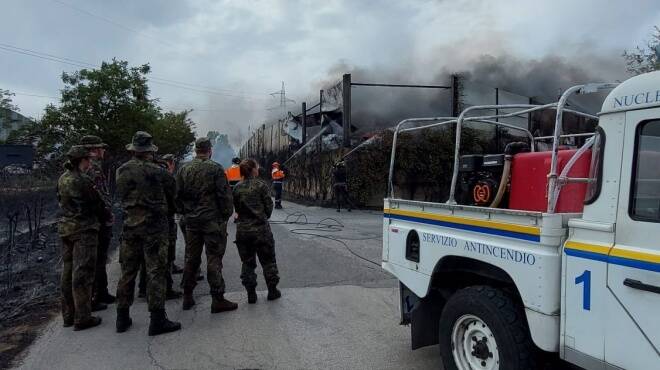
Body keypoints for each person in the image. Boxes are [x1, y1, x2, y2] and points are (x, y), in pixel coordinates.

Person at [115, 131, 181, 336]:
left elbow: (122, 195)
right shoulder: (159, 172)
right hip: (155, 228)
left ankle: (122, 317)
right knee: (155, 272)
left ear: (134, 150)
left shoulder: (121, 171)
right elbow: (173, 197)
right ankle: (157, 319)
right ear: (150, 151)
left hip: (130, 227)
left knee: (128, 272)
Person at [176, 137, 237, 313]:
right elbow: (225, 196)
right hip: (212, 222)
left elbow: (177, 195)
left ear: (196, 150)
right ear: (210, 150)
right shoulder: (215, 169)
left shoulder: (184, 169)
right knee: (214, 258)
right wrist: (225, 216)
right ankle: (217, 299)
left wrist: (185, 213)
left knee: (191, 258)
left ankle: (187, 295)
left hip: (192, 222)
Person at [56, 145, 106, 331]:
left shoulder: (63, 178)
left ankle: (68, 315)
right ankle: (83, 317)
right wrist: (105, 216)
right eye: (88, 159)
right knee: (83, 272)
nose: (90, 162)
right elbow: (96, 203)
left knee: (67, 272)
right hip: (84, 229)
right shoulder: (82, 180)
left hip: (66, 228)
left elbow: (60, 200)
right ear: (81, 161)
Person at [233, 159, 281, 303]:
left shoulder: (237, 187)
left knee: (247, 263)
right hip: (261, 230)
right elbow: (269, 208)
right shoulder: (261, 185)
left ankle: (251, 294)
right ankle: (272, 291)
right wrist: (261, 216)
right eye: (257, 167)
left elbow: (237, 209)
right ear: (253, 170)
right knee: (268, 261)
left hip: (243, 231)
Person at [137, 154, 182, 300]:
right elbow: (174, 198)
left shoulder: (133, 173)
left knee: (145, 258)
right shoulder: (164, 176)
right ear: (169, 164)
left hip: (140, 221)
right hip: (162, 221)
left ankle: (143, 288)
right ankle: (165, 290)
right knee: (164, 258)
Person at [79, 135, 115, 311]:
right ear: (93, 150)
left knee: (98, 258)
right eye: (100, 148)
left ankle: (102, 292)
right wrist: (108, 215)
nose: (103, 151)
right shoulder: (93, 169)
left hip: (90, 220)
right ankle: (96, 295)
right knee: (97, 259)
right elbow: (100, 197)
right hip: (97, 221)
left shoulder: (83, 167)